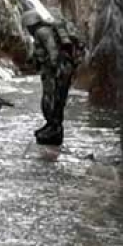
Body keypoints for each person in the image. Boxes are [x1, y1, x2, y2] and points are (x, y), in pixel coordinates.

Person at [22, 9, 81, 145]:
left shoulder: (41, 32)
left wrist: (55, 68)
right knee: (54, 99)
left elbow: (52, 49)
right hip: (57, 70)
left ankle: (54, 128)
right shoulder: (45, 31)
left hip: (56, 71)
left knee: (53, 100)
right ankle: (52, 126)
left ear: (31, 24)